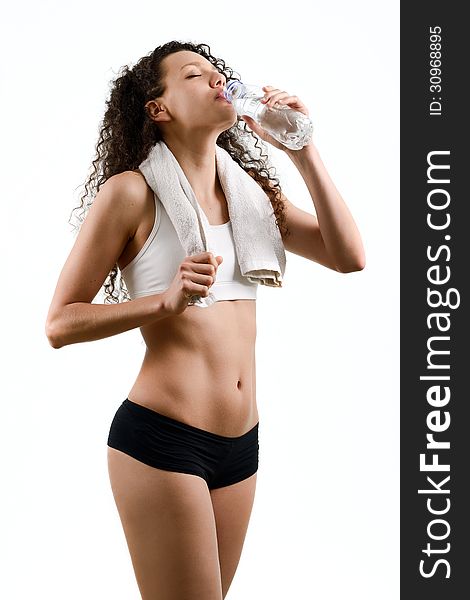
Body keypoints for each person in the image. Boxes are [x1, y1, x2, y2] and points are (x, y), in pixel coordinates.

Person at [45, 40, 365, 600]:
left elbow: (348, 256)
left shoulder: (252, 196)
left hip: (241, 444)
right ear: (158, 109)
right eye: (195, 75)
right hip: (163, 440)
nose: (218, 80)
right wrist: (161, 303)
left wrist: (304, 151)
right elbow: (59, 324)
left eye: (220, 72)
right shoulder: (131, 193)